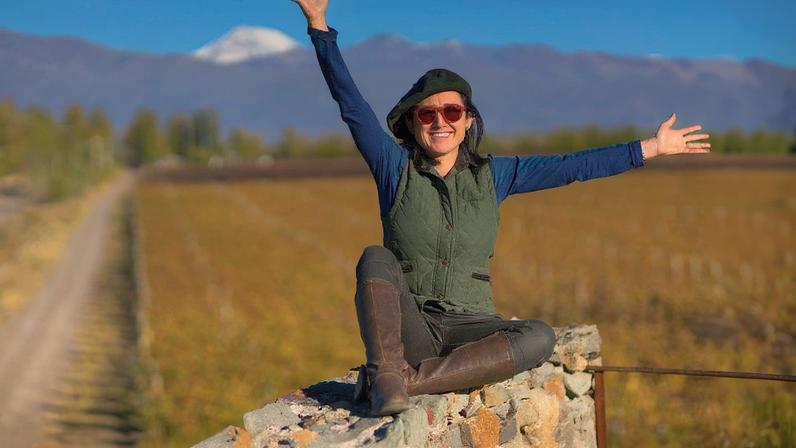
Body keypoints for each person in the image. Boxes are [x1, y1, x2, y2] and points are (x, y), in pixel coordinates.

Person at [290, 0, 711, 416]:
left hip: (471, 330)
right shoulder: (393, 168)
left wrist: (650, 148)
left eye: (452, 111)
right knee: (375, 259)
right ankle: (389, 373)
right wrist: (319, 26)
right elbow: (352, 107)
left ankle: (400, 381)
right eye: (428, 113)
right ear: (413, 122)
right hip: (412, 324)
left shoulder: (496, 175)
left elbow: (572, 167)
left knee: (538, 337)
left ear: (468, 119)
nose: (441, 121)